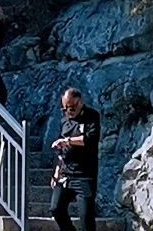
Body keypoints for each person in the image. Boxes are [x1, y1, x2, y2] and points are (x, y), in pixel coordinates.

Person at [50, 86, 100, 231]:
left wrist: (67, 141)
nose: (67, 112)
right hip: (66, 173)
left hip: (84, 176)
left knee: (86, 219)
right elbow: (61, 150)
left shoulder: (92, 116)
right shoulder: (64, 121)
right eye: (64, 109)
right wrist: (57, 171)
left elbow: (90, 139)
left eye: (70, 108)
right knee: (56, 208)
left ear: (79, 103)